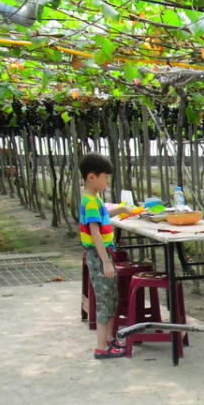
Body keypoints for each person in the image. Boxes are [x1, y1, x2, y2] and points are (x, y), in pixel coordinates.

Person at [79, 153, 125, 359]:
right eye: (105, 177)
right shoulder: (90, 202)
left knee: (111, 298)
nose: (107, 181)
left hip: (103, 254)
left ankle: (109, 340)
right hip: (100, 256)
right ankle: (101, 347)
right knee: (105, 301)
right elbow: (95, 232)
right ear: (92, 177)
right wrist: (106, 262)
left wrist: (122, 210)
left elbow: (104, 216)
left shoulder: (94, 200)